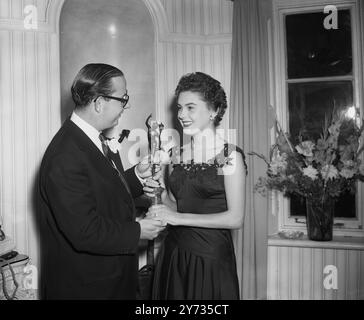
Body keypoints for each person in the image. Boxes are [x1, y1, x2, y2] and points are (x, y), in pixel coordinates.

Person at [38, 63, 166, 300]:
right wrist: (139, 230)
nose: (125, 106)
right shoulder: (65, 155)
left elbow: (98, 188)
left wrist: (137, 174)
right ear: (99, 103)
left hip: (107, 280)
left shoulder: (87, 139)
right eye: (123, 98)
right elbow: (85, 231)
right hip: (87, 287)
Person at [145, 72, 247, 300]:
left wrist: (179, 219)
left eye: (190, 107)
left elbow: (235, 219)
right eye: (179, 108)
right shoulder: (175, 156)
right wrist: (159, 193)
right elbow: (175, 207)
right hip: (174, 254)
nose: (181, 115)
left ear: (214, 110)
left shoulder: (228, 156)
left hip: (210, 257)